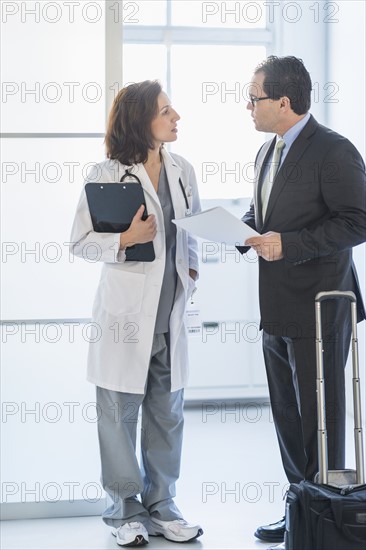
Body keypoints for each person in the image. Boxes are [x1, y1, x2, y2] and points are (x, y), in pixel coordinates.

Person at [238, 56, 366, 550]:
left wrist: (287, 244)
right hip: (276, 305)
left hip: (320, 306)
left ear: (284, 102)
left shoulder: (334, 151)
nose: (248, 106)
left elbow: (356, 222)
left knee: (321, 417)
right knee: (288, 417)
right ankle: (299, 510)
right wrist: (241, 230)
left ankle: (325, 516)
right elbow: (264, 213)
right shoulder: (267, 151)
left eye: (254, 98)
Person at [70, 80, 203, 547]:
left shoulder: (183, 170)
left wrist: (190, 267)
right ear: (141, 119)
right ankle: (125, 510)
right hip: (125, 319)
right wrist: (124, 240)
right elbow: (80, 243)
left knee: (167, 415)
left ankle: (163, 506)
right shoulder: (107, 173)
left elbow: (191, 232)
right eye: (166, 111)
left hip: (168, 317)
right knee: (119, 416)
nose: (176, 117)